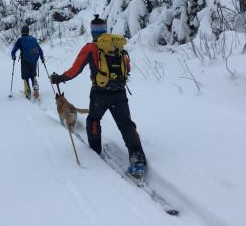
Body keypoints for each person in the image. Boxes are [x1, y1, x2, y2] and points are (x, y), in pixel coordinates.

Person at [49, 15, 147, 177]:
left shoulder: (90, 48)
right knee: (126, 125)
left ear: (92, 31)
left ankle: (95, 152)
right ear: (105, 29)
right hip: (119, 92)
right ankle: (138, 160)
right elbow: (127, 68)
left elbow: (75, 69)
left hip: (99, 94)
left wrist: (59, 78)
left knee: (93, 120)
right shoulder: (117, 45)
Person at [11, 26, 45, 99]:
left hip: (25, 61)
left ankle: (27, 92)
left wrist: (13, 57)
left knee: (26, 76)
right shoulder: (33, 39)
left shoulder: (20, 40)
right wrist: (42, 58)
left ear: (22, 32)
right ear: (28, 32)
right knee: (33, 75)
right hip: (34, 61)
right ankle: (35, 89)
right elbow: (40, 50)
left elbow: (13, 51)